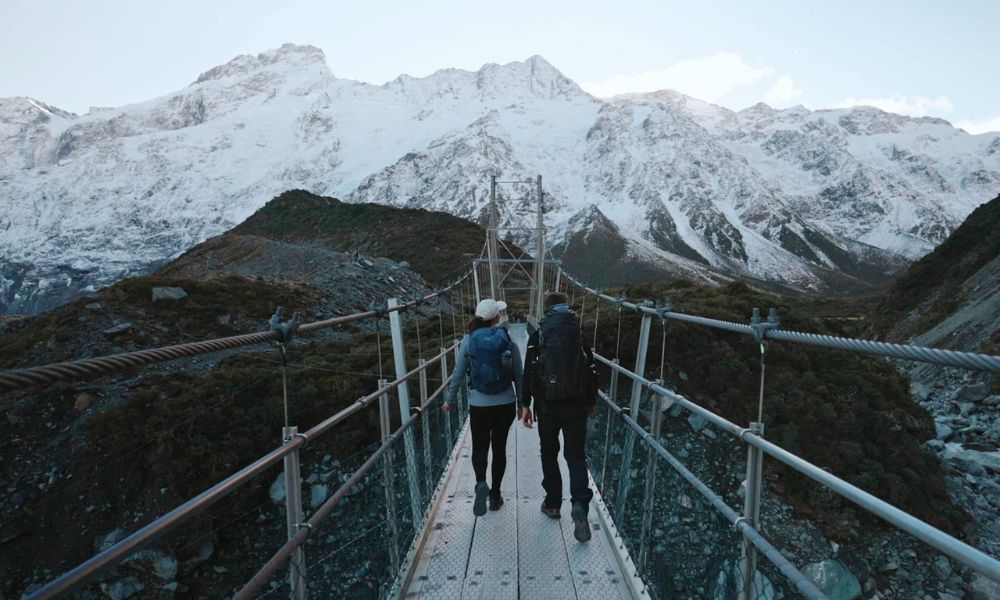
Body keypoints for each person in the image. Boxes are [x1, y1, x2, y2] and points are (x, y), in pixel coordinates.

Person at [519, 292, 597, 542]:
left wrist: (525, 403)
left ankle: (553, 503)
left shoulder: (539, 334)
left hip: (547, 404)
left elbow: (529, 370)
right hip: (576, 405)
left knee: (549, 452)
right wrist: (591, 401)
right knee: (576, 455)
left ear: (547, 310)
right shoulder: (579, 333)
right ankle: (580, 506)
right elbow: (591, 368)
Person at [444, 298, 523, 516]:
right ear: (496, 317)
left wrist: (449, 400)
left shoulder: (469, 340)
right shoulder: (506, 338)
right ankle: (495, 496)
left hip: (479, 404)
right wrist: (523, 403)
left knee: (480, 447)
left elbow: (458, 374)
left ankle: (480, 483)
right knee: (499, 448)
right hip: (505, 403)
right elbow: (519, 374)